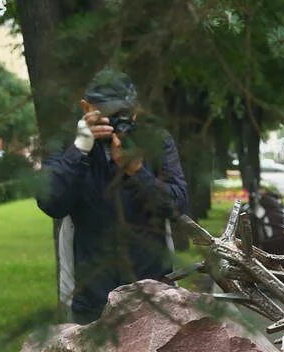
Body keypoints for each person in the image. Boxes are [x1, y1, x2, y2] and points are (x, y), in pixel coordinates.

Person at [38, 68, 189, 325]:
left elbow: (177, 207)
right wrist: (80, 150)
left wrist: (137, 172)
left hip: (152, 290)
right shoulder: (65, 144)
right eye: (105, 114)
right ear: (86, 108)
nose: (115, 121)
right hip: (90, 294)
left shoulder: (156, 142)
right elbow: (52, 202)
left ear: (136, 110)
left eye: (123, 113)